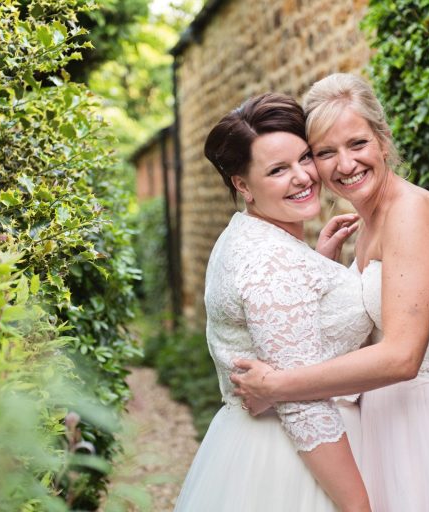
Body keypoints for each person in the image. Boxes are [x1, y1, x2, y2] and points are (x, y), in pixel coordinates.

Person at [230, 73, 429, 511]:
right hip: (385, 426)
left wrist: (278, 386)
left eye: (357, 143)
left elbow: (401, 355)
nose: (344, 165)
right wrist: (328, 271)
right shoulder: (370, 222)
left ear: (382, 139)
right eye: (325, 153)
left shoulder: (412, 212)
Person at [173, 92, 374, 511]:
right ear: (242, 185)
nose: (303, 177)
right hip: (297, 462)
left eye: (304, 158)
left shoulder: (249, 237)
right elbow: (303, 408)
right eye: (278, 170)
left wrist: (318, 269)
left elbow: (289, 332)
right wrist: (358, 506)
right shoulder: (270, 261)